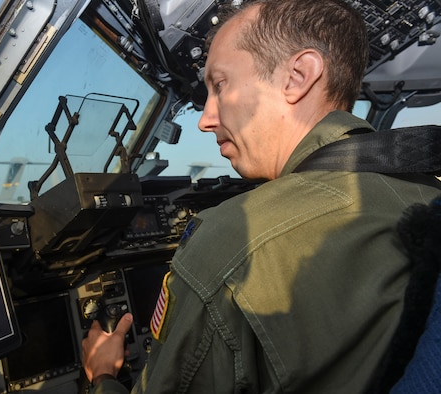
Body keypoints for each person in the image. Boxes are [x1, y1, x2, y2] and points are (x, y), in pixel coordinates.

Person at [82, 0, 441, 392]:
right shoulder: (424, 190)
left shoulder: (233, 241)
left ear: (297, 77)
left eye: (220, 85)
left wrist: (103, 375)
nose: (205, 119)